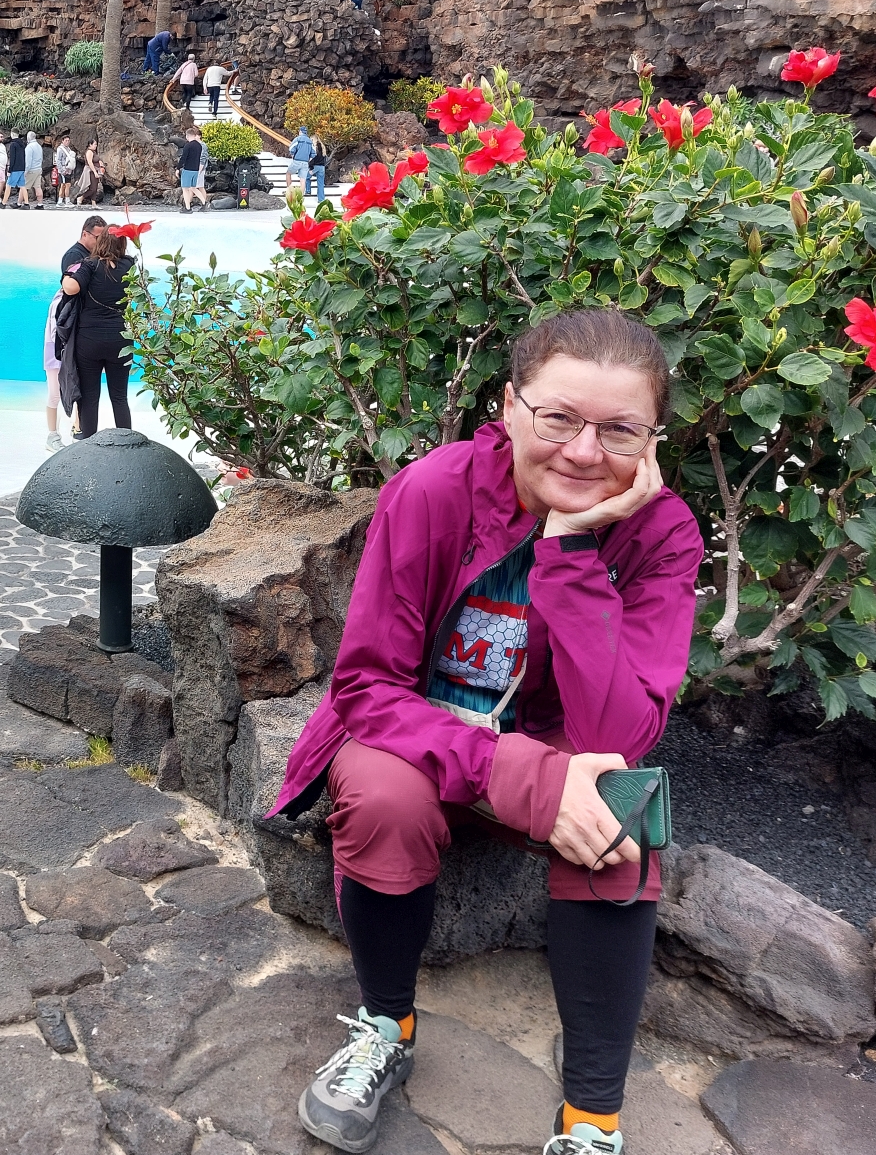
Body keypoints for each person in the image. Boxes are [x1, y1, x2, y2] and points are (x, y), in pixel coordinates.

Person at [279, 308, 699, 1155]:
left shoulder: (662, 534)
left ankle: (591, 1122)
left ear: (653, 441)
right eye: (559, 419)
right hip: (418, 739)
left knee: (621, 814)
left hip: (560, 748)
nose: (585, 452)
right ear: (510, 407)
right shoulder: (435, 492)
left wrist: (573, 555)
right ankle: (385, 1029)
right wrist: (523, 782)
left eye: (620, 431)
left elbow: (623, 733)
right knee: (383, 793)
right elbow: (367, 687)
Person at [60, 225, 135, 438]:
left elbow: (71, 288)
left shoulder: (90, 265)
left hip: (89, 341)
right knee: (119, 397)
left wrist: (67, 275)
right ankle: (126, 442)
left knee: (90, 397)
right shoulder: (129, 265)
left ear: (100, 242)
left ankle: (89, 443)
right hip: (120, 340)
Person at [43, 289, 65, 452]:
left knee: (78, 394)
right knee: (54, 395)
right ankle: (52, 435)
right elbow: (53, 333)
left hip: (69, 353)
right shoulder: (59, 301)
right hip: (55, 354)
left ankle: (77, 431)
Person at [177, 127, 207, 211]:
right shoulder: (199, 146)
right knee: (193, 188)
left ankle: (187, 208)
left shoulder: (188, 145)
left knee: (185, 189)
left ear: (187, 136)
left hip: (188, 169)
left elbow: (184, 158)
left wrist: (178, 168)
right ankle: (204, 202)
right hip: (195, 170)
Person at [288, 126, 315, 199]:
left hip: (297, 160)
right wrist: (309, 159)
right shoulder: (310, 141)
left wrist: (293, 155)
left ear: (300, 131)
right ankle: (300, 196)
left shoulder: (297, 139)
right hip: (305, 163)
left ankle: (289, 191)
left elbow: (291, 148)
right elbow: (313, 153)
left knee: (288, 173)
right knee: (303, 180)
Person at [74, 139, 103, 205]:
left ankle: (94, 203)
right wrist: (95, 172)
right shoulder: (89, 152)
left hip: (96, 170)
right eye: (95, 144)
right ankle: (81, 197)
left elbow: (97, 160)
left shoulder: (94, 152)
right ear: (90, 144)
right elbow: (90, 162)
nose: (96, 145)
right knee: (92, 188)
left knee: (95, 187)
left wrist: (100, 163)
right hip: (90, 171)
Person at [54, 136, 79, 206]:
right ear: (62, 141)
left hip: (69, 170)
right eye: (66, 140)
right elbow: (58, 160)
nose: (67, 142)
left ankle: (67, 200)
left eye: (68, 140)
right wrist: (61, 170)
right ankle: (60, 201)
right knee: (63, 185)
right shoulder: (60, 149)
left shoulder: (68, 149)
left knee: (68, 185)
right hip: (63, 170)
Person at [24, 131, 45, 208]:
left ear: (28, 138)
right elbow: (41, 158)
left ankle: (22, 203)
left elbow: (28, 161)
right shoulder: (39, 146)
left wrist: (25, 171)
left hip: (31, 170)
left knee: (23, 187)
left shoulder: (29, 147)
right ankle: (40, 203)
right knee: (38, 187)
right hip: (38, 169)